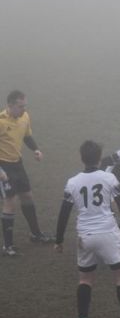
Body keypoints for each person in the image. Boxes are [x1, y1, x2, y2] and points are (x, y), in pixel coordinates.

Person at [54, 140, 120, 318]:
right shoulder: (108, 178)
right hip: (107, 233)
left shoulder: (72, 182)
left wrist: (59, 240)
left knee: (85, 279)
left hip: (85, 236)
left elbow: (64, 212)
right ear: (98, 159)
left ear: (82, 158)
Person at [0, 90, 54, 256]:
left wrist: (36, 149)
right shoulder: (1, 121)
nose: (23, 109)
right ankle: (7, 246)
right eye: (20, 106)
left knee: (28, 196)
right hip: (3, 166)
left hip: (18, 164)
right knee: (10, 200)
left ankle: (35, 234)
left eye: (25, 106)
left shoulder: (24, 117)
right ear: (9, 105)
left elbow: (27, 136)